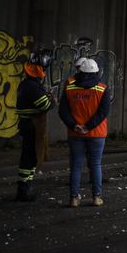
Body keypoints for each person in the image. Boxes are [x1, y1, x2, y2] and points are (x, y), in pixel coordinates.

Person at [59, 57, 111, 207]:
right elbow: (103, 112)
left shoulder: (70, 88)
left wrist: (74, 125)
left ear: (80, 71)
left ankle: (74, 198)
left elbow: (63, 111)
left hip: (75, 134)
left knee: (76, 165)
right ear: (96, 72)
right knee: (95, 164)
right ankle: (96, 197)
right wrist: (89, 126)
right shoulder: (102, 89)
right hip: (97, 133)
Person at [15, 49, 54, 202]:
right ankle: (23, 190)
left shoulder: (26, 84)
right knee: (29, 158)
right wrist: (52, 101)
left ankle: (25, 187)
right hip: (32, 126)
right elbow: (44, 105)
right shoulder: (32, 86)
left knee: (31, 158)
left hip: (27, 125)